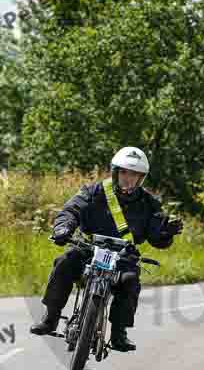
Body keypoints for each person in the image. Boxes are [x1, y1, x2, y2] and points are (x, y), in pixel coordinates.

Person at [29, 146, 184, 352]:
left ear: (141, 178)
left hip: (123, 256)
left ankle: (119, 333)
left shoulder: (149, 203)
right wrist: (63, 228)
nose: (129, 179)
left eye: (135, 175)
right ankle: (51, 317)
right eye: (124, 172)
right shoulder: (93, 191)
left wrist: (166, 233)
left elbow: (157, 238)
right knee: (64, 262)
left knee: (130, 280)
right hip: (88, 248)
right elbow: (71, 210)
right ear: (115, 172)